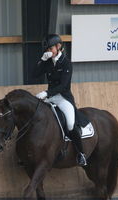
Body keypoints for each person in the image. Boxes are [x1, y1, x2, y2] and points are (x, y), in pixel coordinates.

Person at [33, 34, 87, 166]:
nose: (48, 51)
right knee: (36, 117)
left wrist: (46, 92)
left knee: (69, 124)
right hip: (50, 98)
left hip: (63, 98)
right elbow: (34, 74)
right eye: (46, 50)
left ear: (58, 47)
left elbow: (63, 85)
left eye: (50, 49)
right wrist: (42, 60)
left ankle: (81, 154)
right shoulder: (47, 62)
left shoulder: (67, 63)